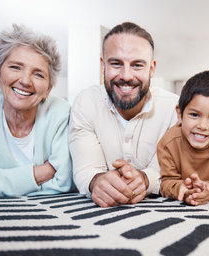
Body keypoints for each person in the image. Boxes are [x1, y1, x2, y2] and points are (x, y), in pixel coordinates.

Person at [0, 24, 73, 197]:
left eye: (38, 74)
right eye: (15, 67)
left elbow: (64, 181)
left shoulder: (61, 112)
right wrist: (40, 173)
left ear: (48, 89)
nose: (25, 80)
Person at [69, 22, 178, 208]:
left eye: (137, 65)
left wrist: (145, 179)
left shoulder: (174, 108)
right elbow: (86, 169)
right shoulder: (86, 102)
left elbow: (171, 168)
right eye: (116, 63)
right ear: (103, 65)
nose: (126, 75)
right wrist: (96, 181)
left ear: (151, 69)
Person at [158, 71, 209, 206]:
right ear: (180, 114)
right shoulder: (168, 143)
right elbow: (166, 181)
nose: (203, 126)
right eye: (195, 115)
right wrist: (181, 188)